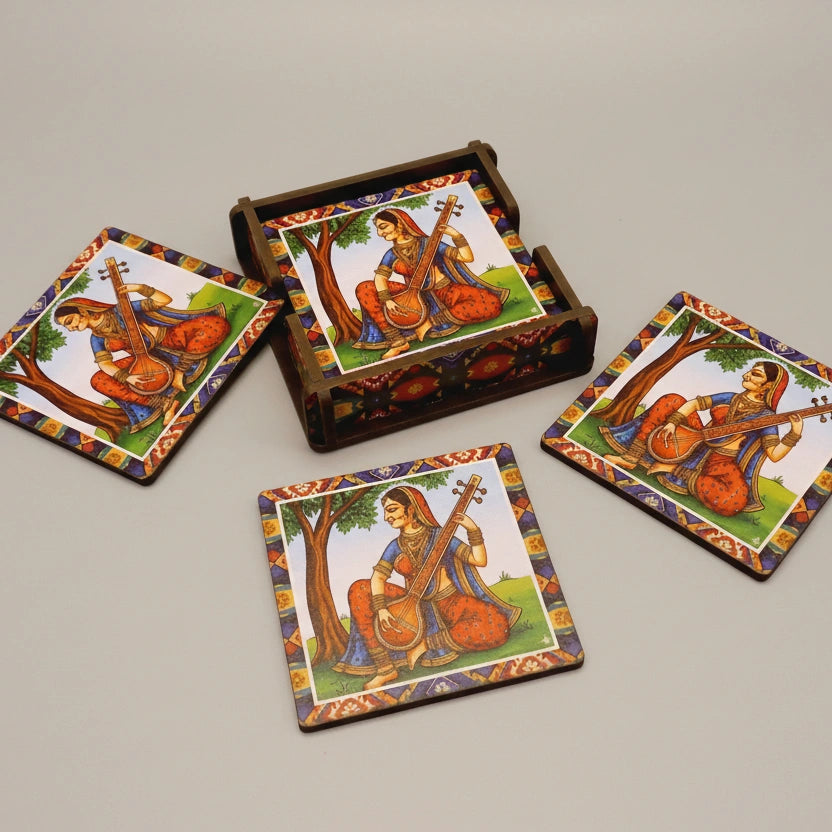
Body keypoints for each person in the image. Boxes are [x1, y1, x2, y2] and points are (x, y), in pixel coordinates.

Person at [333, 485, 520, 690]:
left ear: (411, 508)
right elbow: (377, 577)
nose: (387, 517)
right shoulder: (396, 545)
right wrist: (382, 609)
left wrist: (473, 530)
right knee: (359, 589)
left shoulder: (441, 535)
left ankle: (426, 644)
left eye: (392, 509)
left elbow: (479, 560)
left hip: (449, 603)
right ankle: (385, 668)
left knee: (497, 626)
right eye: (385, 511)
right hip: (413, 605)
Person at [600, 361, 802, 516]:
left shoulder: (767, 418)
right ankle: (631, 458)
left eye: (755, 374)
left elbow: (774, 454)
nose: (746, 374)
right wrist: (674, 422)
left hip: (720, 461)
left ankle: (674, 469)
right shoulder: (731, 397)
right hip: (696, 439)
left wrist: (794, 433)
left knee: (735, 501)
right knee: (673, 400)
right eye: (750, 371)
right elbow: (694, 404)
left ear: (768, 385)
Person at [55, 283, 230, 433]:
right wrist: (127, 376)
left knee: (216, 324)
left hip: (169, 340)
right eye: (67, 327)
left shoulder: (121, 309)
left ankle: (180, 373)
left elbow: (163, 301)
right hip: (143, 362)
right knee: (99, 379)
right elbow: (104, 363)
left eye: (70, 321)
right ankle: (165, 404)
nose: (71, 328)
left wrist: (140, 288)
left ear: (82, 311)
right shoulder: (97, 338)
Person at [352, 208, 509, 359]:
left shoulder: (429, 243)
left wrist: (456, 235)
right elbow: (380, 278)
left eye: (383, 227)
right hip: (412, 296)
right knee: (364, 288)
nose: (380, 233)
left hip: (444, 291)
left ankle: (429, 323)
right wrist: (387, 300)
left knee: (491, 303)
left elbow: (466, 257)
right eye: (378, 229)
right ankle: (397, 340)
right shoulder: (392, 254)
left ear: (399, 223)